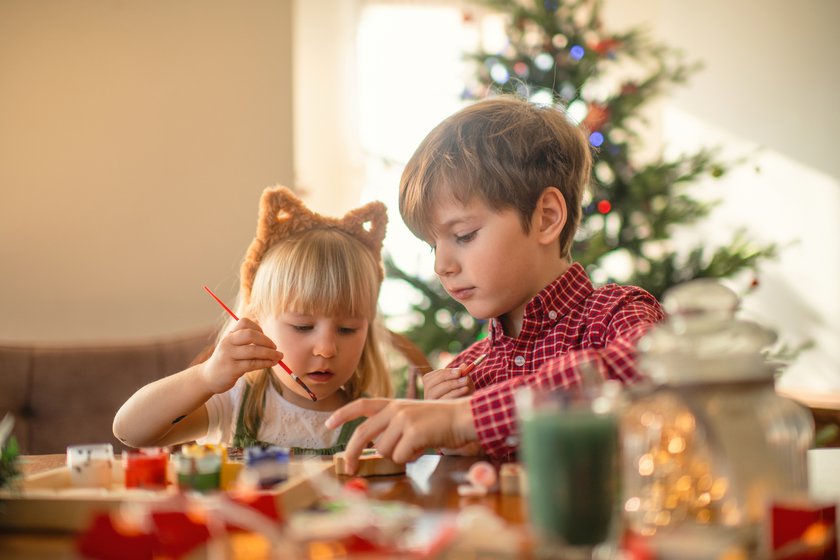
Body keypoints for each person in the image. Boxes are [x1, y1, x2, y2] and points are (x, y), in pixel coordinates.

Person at [325, 95, 665, 473]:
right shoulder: (468, 372)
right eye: (432, 245)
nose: (441, 265)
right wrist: (455, 442)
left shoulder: (616, 315)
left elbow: (651, 364)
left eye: (465, 235)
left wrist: (465, 418)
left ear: (547, 218)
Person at [113, 186, 392, 454]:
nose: (326, 348)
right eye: (302, 326)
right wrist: (205, 377)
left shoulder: (374, 421)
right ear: (257, 321)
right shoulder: (231, 405)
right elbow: (129, 431)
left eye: (348, 329)